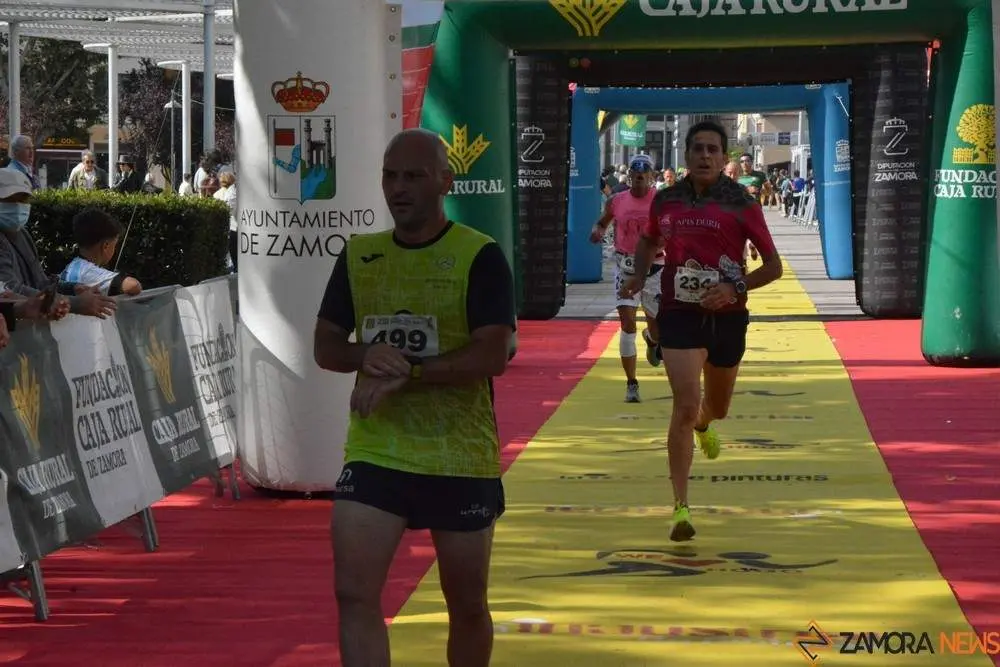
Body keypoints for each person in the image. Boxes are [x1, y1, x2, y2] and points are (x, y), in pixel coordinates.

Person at [314, 128, 516, 667]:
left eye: (414, 176)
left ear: (445, 182)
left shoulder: (480, 255)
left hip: (459, 454)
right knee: (354, 595)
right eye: (390, 176)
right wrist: (365, 356)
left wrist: (413, 371)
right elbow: (326, 345)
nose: (398, 188)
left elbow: (492, 354)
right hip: (377, 451)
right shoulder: (360, 255)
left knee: (467, 605)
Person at [620, 120, 783, 542]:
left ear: (724, 158)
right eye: (698, 149)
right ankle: (680, 507)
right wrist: (639, 275)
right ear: (686, 156)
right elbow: (647, 241)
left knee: (716, 409)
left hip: (728, 316)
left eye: (714, 149)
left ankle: (704, 425)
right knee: (685, 403)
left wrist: (733, 287)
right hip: (680, 313)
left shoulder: (742, 202)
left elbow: (773, 266)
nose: (706, 156)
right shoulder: (666, 200)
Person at [590, 154, 664, 403]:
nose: (639, 175)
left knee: (658, 328)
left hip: (655, 268)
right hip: (626, 266)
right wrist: (597, 232)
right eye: (635, 171)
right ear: (629, 175)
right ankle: (632, 383)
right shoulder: (616, 201)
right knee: (627, 324)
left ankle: (653, 340)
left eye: (645, 172)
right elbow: (602, 223)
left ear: (652, 176)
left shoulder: (660, 201)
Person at [60, 208, 143, 296]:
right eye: (114, 245)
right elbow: (133, 286)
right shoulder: (89, 272)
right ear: (105, 246)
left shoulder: (74, 266)